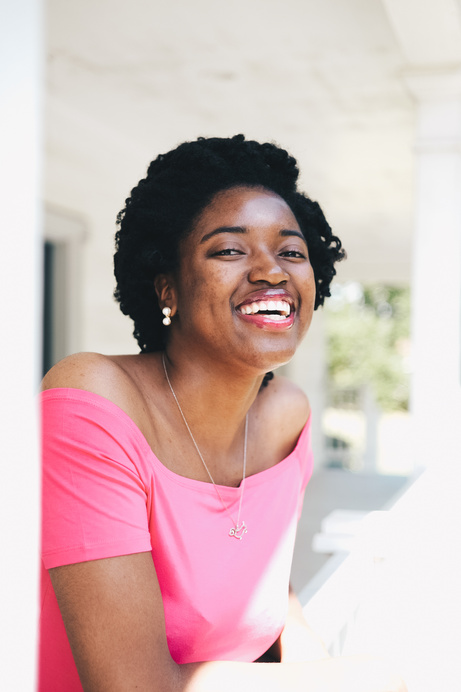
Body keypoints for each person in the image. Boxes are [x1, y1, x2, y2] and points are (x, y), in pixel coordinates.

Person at [39, 135, 406, 691]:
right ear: (168, 287)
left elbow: (271, 600)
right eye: (230, 250)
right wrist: (355, 680)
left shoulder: (287, 418)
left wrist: (329, 672)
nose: (271, 272)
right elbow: (130, 685)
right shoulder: (94, 401)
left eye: (291, 251)